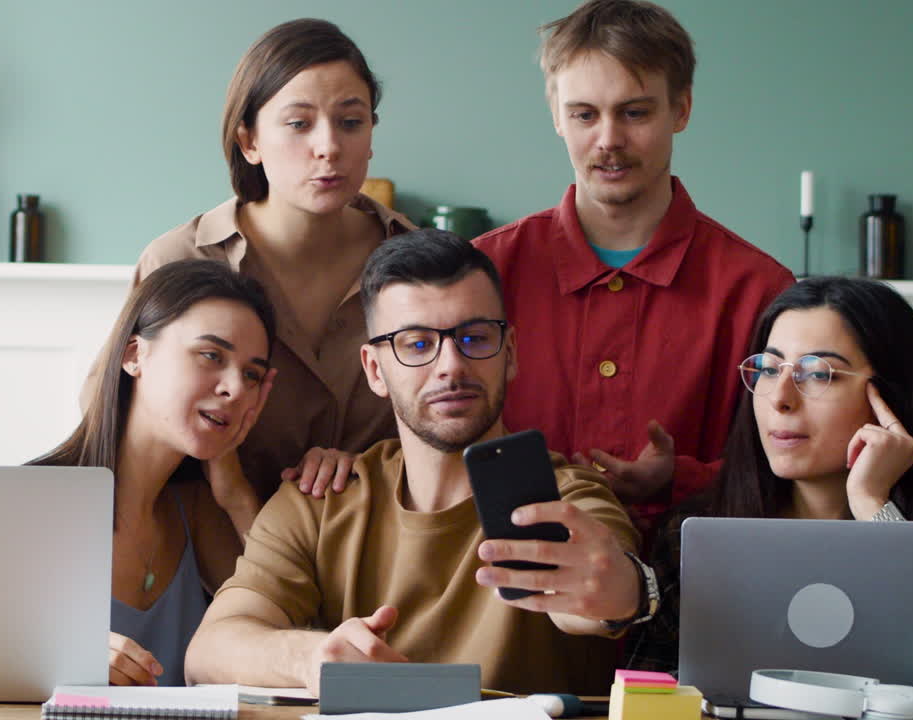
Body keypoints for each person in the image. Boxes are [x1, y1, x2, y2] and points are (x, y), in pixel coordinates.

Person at [184, 230, 653, 696]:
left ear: (509, 353)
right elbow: (209, 652)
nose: (451, 364)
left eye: (474, 337)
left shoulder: (568, 497)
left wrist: (619, 592)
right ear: (374, 370)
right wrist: (313, 658)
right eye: (416, 344)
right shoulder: (320, 502)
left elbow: (593, 599)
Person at [626, 276, 913, 703]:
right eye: (769, 369)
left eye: (817, 373)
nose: (780, 398)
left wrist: (875, 510)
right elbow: (649, 694)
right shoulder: (700, 530)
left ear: (889, 396)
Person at [473, 0, 795, 540]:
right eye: (584, 114)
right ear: (556, 115)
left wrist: (678, 478)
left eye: (635, 112)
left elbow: (790, 474)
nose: (608, 140)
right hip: (507, 591)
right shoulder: (484, 271)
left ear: (682, 110)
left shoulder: (761, 290)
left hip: (693, 595)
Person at [87, 18, 415, 502]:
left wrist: (372, 466)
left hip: (372, 552)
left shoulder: (414, 263)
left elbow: (450, 427)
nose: (328, 147)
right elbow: (108, 422)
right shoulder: (180, 258)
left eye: (350, 122)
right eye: (299, 123)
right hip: (207, 547)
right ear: (249, 141)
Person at [33, 259, 277, 686]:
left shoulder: (203, 513)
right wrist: (57, 658)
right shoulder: (27, 501)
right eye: (210, 355)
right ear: (134, 355)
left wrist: (236, 495)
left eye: (252, 374)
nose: (235, 388)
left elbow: (280, 634)